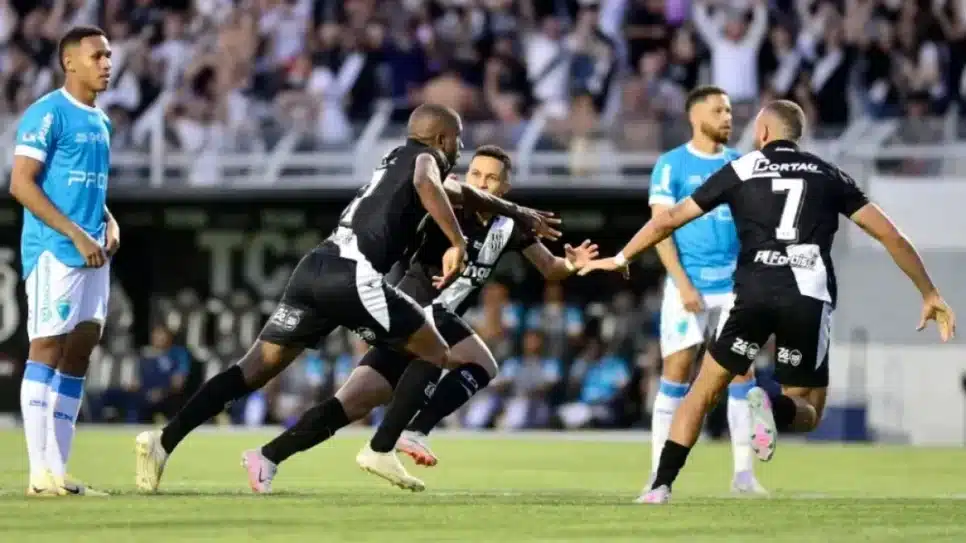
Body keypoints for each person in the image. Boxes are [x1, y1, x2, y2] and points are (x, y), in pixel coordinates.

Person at [134, 105, 561, 493]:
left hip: (315, 267)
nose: (461, 149)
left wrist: (517, 212)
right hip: (353, 275)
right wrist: (456, 241)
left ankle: (163, 441)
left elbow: (463, 193)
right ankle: (384, 447)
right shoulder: (424, 160)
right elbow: (428, 181)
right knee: (435, 349)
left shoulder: (397, 158)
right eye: (459, 141)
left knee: (253, 370)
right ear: (444, 140)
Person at [580, 100, 956, 504]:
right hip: (808, 295)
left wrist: (620, 258)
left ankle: (660, 487)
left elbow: (668, 219)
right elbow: (891, 236)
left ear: (762, 133)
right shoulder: (829, 174)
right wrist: (929, 293)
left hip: (752, 292)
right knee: (807, 408)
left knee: (702, 390)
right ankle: (773, 405)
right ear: (798, 135)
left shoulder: (742, 168)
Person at [239, 145, 597, 493]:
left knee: (353, 403)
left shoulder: (509, 225)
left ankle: (267, 456)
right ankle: (404, 436)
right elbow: (428, 194)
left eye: (491, 178)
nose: (482, 182)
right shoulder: (449, 207)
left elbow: (551, 268)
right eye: (476, 173)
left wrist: (572, 263)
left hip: (432, 319)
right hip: (411, 312)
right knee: (479, 364)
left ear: (505, 188)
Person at [10, 26, 116, 497]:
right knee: (47, 349)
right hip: (56, 251)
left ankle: (59, 470)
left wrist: (109, 223)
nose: (107, 63)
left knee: (80, 352)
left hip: (96, 252)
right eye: (97, 56)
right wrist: (74, 232)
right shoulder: (47, 114)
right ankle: (38, 474)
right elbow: (21, 184)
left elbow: (88, 188)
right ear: (69, 62)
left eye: (109, 56)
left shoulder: (101, 121)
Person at [645, 85, 764, 497]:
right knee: (676, 375)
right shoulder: (671, 165)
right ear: (696, 118)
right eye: (719, 111)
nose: (728, 117)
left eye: (730, 110)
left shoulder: (742, 164)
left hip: (733, 287)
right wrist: (682, 283)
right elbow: (661, 229)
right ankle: (658, 476)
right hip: (688, 285)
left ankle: (744, 476)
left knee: (740, 374)